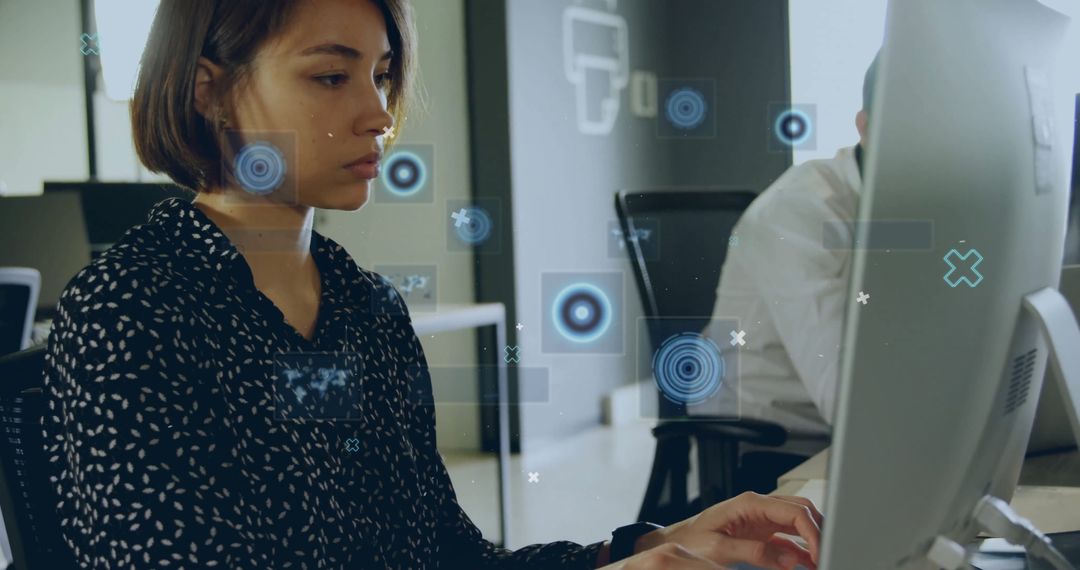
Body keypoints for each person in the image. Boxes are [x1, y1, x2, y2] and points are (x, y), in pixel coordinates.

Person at [41, 0, 822, 568]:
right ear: (209, 89)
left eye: (380, 76)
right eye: (329, 77)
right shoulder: (130, 313)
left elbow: (447, 554)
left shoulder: (367, 310)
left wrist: (657, 543)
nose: (377, 113)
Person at [709, 54, 880, 457]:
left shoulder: (917, 207)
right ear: (866, 127)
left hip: (840, 431)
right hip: (771, 439)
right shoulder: (798, 211)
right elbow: (849, 400)